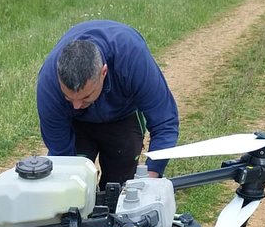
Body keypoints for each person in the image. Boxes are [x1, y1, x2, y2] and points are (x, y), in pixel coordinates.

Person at [36, 20, 178, 190]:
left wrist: (152, 174)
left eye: (85, 96)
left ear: (103, 72)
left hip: (123, 115)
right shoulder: (49, 83)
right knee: (73, 187)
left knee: (119, 186)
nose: (76, 104)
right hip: (76, 124)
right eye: (68, 97)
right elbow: (61, 154)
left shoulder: (132, 57)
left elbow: (165, 123)